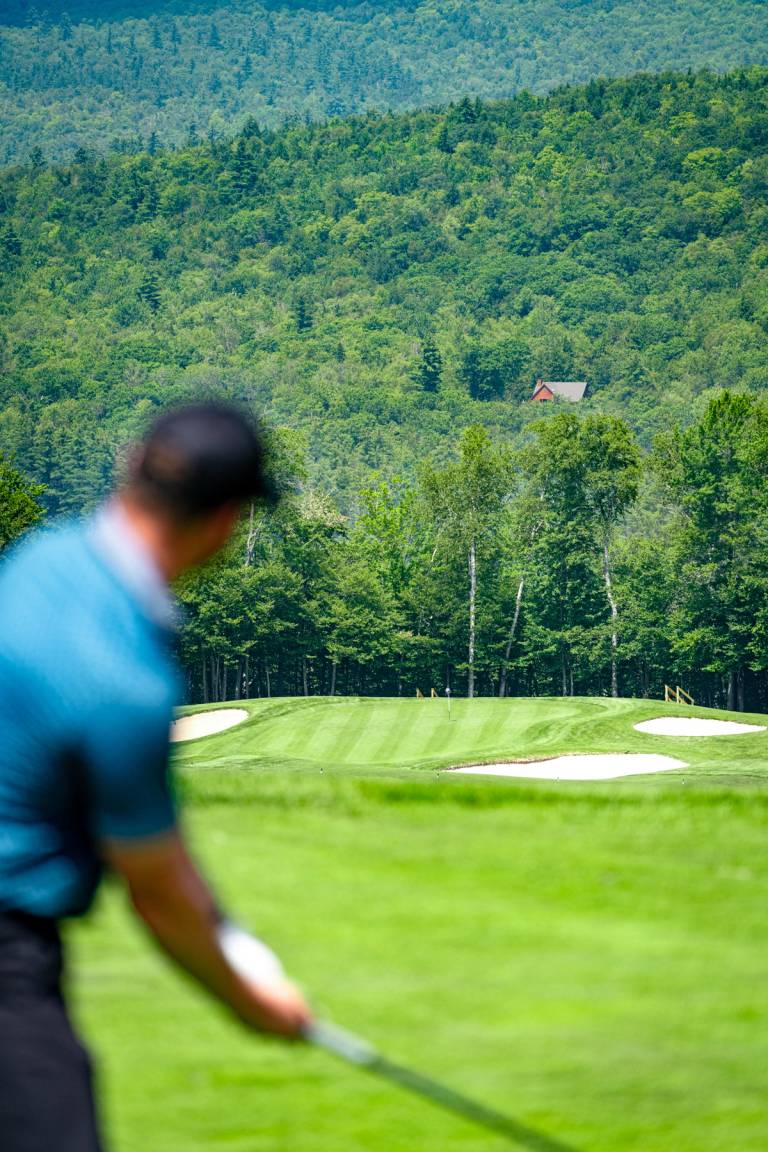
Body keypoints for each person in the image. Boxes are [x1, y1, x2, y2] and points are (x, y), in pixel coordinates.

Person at [0, 403, 312, 1152]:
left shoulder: (41, 556)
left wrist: (240, 949)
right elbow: (158, 890)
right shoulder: (126, 683)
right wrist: (251, 1003)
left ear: (131, 465)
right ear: (225, 522)